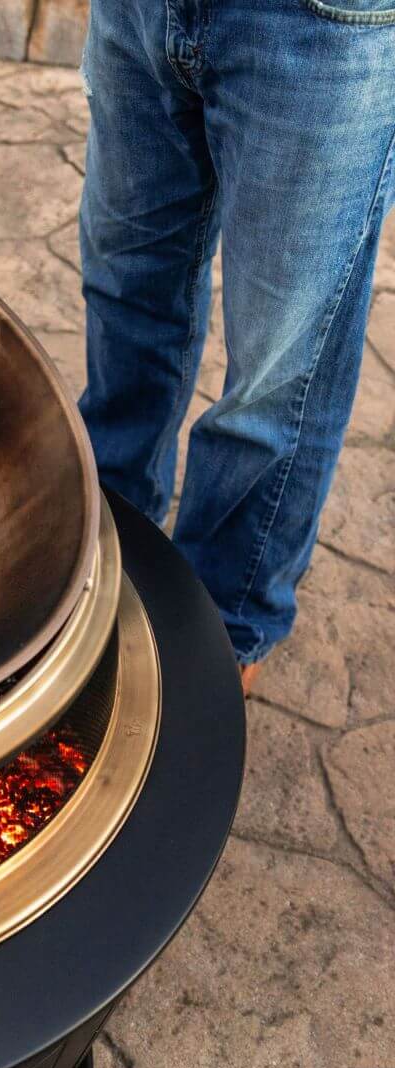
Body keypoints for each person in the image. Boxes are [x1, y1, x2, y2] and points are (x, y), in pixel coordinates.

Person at [76, 0, 395, 692]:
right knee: (125, 292)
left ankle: (224, 624)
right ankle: (102, 549)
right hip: (138, 12)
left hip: (321, 21)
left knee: (280, 374)